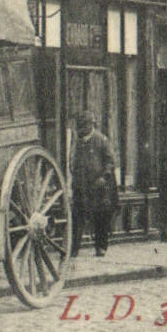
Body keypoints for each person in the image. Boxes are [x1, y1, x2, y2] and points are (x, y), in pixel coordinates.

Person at [71, 111, 119, 259]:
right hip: (81, 186)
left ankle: (101, 246)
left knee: (101, 217)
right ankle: (74, 249)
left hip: (98, 186)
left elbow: (111, 161)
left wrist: (104, 177)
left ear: (91, 125)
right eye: (80, 127)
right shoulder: (78, 142)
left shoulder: (101, 140)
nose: (81, 130)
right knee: (78, 216)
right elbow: (72, 161)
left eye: (84, 126)